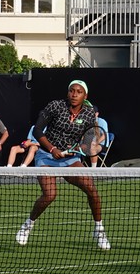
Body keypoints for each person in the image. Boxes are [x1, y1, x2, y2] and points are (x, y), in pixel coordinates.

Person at [15, 80, 109, 250]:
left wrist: (79, 148)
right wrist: (52, 148)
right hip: (46, 156)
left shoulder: (88, 114)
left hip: (70, 159)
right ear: (68, 93)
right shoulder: (55, 106)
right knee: (50, 195)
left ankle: (99, 229)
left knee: (92, 190)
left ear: (84, 96)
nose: (74, 94)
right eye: (71, 91)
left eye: (79, 92)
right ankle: (28, 224)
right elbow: (37, 130)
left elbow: (88, 140)